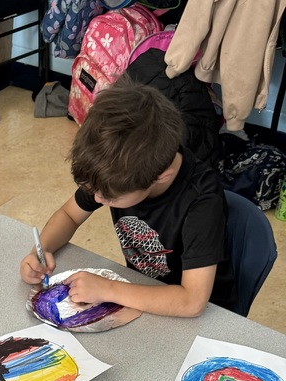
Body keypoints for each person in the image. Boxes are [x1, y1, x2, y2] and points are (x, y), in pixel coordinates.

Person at [20, 78, 236, 317]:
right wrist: (39, 253)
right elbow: (70, 215)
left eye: (111, 198)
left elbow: (192, 301)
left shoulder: (202, 201)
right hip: (139, 294)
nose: (99, 200)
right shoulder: (114, 173)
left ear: (161, 177)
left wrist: (108, 289)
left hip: (200, 314)